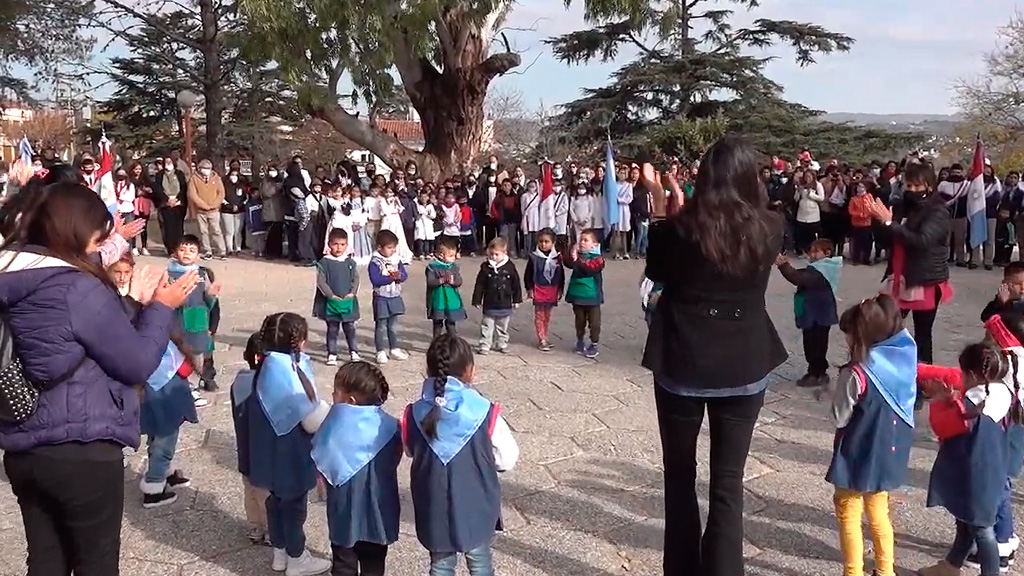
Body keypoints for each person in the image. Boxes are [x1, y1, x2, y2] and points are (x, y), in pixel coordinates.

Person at [0, 181, 199, 576]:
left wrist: (130, 302)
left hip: (25, 445)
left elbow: (71, 341)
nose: (99, 245)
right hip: (81, 445)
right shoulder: (75, 286)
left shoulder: (15, 275)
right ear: (73, 229)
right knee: (96, 563)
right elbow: (136, 363)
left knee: (46, 561)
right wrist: (160, 307)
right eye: (97, 234)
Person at [642, 135, 788, 576]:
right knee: (728, 484)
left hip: (684, 359)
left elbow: (657, 273)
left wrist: (662, 206)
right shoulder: (771, 225)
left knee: (680, 478)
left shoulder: (683, 226)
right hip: (744, 360)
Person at [402, 334, 519, 576]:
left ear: (428, 370)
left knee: (441, 565)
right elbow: (507, 459)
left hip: (433, 505)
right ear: (470, 371)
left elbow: (410, 449)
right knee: (480, 563)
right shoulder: (484, 411)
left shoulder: (414, 412)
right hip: (477, 503)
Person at [826, 295, 916, 576]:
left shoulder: (857, 373)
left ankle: (853, 572)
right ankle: (886, 570)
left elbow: (840, 415)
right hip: (888, 452)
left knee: (849, 511)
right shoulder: (904, 360)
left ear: (860, 336)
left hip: (856, 453)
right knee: (879, 512)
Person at [245, 312, 331, 576]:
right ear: (300, 341)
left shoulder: (268, 365)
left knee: (275, 502)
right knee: (293, 506)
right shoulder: (287, 371)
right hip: (289, 451)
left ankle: (280, 553)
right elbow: (310, 420)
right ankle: (297, 558)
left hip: (267, 447)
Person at [919, 343, 1013, 576]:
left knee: (981, 528)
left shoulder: (972, 406)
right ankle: (951, 565)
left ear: (971, 375)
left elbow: (943, 427)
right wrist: (953, 400)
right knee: (967, 521)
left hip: (973, 473)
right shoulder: (1003, 393)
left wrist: (940, 399)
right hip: (994, 468)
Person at [312, 362, 401, 576]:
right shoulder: (390, 425)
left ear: (349, 400)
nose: (332, 396)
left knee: (343, 563)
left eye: (335, 392)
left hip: (344, 510)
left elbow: (320, 459)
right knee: (374, 564)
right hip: (380, 508)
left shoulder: (331, 426)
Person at [867, 161, 952, 365]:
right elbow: (887, 239)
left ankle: (923, 380)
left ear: (929, 185)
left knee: (922, 334)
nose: (911, 190)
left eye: (917, 185)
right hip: (899, 275)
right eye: (909, 185)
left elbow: (922, 241)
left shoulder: (938, 211)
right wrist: (878, 222)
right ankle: (886, 370)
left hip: (924, 279)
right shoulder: (902, 206)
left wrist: (890, 223)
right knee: (887, 326)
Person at [775, 238, 842, 388]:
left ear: (827, 253)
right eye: (811, 251)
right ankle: (818, 371)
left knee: (814, 344)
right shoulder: (821, 268)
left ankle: (816, 372)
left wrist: (783, 265)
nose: (811, 254)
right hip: (818, 314)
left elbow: (798, 278)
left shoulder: (821, 271)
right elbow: (800, 274)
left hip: (817, 315)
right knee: (816, 343)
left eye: (815, 251)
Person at [168, 235, 222, 396]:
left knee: (201, 350)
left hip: (198, 318)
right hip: (177, 318)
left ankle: (206, 376)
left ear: (198, 255)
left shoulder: (202, 273)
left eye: (192, 251)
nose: (186, 253)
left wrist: (211, 295)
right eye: (182, 250)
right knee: (180, 351)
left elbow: (212, 303)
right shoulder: (169, 274)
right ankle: (188, 384)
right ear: (175, 253)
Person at [231, 332, 271, 546]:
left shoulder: (239, 381)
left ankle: (255, 528)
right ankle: (272, 531)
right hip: (262, 454)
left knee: (250, 493)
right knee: (267, 497)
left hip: (245, 451)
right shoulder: (263, 385)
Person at [313, 229, 362, 365]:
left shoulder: (350, 262)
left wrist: (352, 293)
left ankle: (354, 351)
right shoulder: (324, 262)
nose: (338, 248)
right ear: (329, 244)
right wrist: (331, 295)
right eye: (335, 244)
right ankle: (332, 353)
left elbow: (355, 279)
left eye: (342, 244)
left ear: (347, 245)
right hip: (331, 302)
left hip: (348, 301)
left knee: (350, 328)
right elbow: (321, 282)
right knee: (332, 329)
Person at [471, 237, 523, 355]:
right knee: (487, 325)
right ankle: (485, 344)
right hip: (490, 301)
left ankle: (501, 343)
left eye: (497, 254)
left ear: (504, 253)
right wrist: (477, 299)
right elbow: (479, 284)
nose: (494, 257)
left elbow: (516, 284)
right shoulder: (485, 267)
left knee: (502, 326)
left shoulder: (510, 267)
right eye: (492, 254)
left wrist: (517, 299)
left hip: (505, 301)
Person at [367, 230, 410, 365]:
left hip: (394, 296)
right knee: (381, 325)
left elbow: (404, 274)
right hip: (381, 297)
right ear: (380, 247)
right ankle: (380, 350)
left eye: (394, 247)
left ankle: (394, 348)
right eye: (389, 248)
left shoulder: (396, 260)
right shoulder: (375, 262)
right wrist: (390, 278)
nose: (393, 250)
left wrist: (399, 277)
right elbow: (375, 279)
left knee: (393, 326)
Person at [564, 229, 605, 359]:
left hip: (592, 297)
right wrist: (570, 250)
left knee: (594, 322)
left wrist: (577, 261)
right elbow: (568, 263)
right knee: (579, 320)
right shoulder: (577, 255)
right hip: (578, 295)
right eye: (580, 240)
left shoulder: (598, 259)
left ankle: (594, 343)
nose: (582, 242)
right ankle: (580, 340)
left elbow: (589, 270)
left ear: (594, 244)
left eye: (586, 240)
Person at [523, 228, 565, 351]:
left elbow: (560, 274)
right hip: (538, 288)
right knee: (539, 314)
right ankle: (541, 338)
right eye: (541, 241)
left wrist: (560, 289)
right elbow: (528, 274)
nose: (543, 244)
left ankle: (545, 335)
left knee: (547, 315)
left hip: (551, 289)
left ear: (553, 243)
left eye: (547, 242)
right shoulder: (534, 257)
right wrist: (529, 288)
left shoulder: (557, 257)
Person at [187, 158, 228, 260]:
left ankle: (222, 251)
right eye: (204, 168)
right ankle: (207, 251)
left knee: (216, 230)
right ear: (199, 169)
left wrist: (214, 205)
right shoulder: (194, 179)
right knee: (203, 231)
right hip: (201, 211)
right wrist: (203, 205)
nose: (206, 170)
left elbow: (221, 193)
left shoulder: (217, 178)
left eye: (208, 168)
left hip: (214, 211)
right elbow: (192, 194)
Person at [426, 238, 467, 339]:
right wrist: (440, 280)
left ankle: (453, 342)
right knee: (437, 323)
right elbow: (430, 282)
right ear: (440, 255)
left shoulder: (454, 267)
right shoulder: (432, 267)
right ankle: (436, 342)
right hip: (438, 299)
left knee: (451, 323)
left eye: (454, 255)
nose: (453, 258)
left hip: (451, 300)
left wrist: (453, 281)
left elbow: (459, 281)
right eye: (450, 256)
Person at [153, 157, 189, 255]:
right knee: (168, 228)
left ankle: (179, 248)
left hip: (178, 204)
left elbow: (183, 188)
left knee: (178, 228)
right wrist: (167, 199)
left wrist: (177, 199)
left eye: (170, 162)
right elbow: (157, 189)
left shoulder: (179, 174)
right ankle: (170, 249)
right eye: (166, 162)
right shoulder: (159, 175)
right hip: (166, 204)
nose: (168, 163)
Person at [847, 179, 876, 265]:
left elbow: (872, 207)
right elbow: (851, 210)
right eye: (859, 187)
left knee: (867, 242)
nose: (860, 188)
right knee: (856, 242)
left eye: (862, 187)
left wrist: (869, 213)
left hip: (867, 223)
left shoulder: (869, 197)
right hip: (857, 224)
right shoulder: (854, 199)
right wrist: (860, 214)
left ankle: (866, 259)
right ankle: (856, 258)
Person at [222, 167, 248, 256]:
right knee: (229, 231)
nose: (234, 177)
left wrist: (239, 206)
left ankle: (238, 248)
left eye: (236, 175)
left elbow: (245, 199)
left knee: (238, 231)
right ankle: (229, 248)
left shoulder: (242, 186)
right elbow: (222, 197)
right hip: (226, 211)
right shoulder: (224, 186)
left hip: (240, 211)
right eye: (232, 175)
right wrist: (229, 206)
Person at [414, 190, 438, 259]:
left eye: (425, 197)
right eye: (421, 197)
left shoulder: (430, 206)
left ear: (428, 198)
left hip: (428, 224)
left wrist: (428, 214)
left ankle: (427, 253)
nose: (423, 199)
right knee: (420, 240)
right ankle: (420, 253)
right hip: (420, 224)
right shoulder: (418, 205)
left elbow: (434, 215)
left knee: (427, 240)